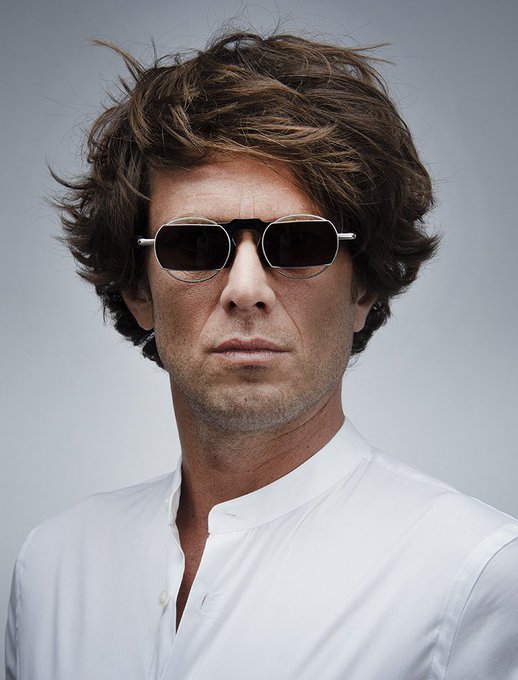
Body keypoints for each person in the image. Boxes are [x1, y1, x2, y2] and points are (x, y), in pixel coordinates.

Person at [5, 30, 518, 680]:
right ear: (138, 291)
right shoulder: (52, 568)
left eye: (299, 243)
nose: (246, 289)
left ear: (362, 288)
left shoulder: (476, 580)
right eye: (195, 245)